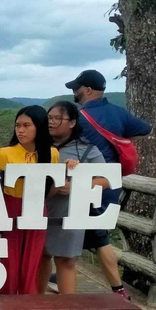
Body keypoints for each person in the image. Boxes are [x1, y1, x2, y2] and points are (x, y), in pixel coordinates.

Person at [65, 69, 152, 300]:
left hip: (87, 182)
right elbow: (146, 129)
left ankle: (116, 290)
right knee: (95, 233)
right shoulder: (119, 113)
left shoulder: (79, 117)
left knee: (92, 235)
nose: (74, 91)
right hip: (111, 182)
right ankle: (111, 288)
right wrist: (120, 140)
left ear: (89, 90)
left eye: (77, 87)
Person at [38, 101, 109, 294]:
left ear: (72, 123)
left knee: (66, 260)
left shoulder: (86, 149)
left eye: (57, 118)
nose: (51, 122)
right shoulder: (37, 145)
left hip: (70, 213)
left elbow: (107, 180)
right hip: (39, 211)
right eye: (49, 118)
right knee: (39, 258)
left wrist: (76, 185)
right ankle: (36, 306)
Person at [0, 105, 60, 295]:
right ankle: (5, 301)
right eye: (17, 125)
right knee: (9, 258)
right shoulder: (5, 153)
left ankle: (28, 302)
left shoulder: (52, 153)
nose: (20, 130)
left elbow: (51, 186)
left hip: (37, 207)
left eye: (26, 125)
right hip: (11, 205)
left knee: (33, 259)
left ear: (38, 127)